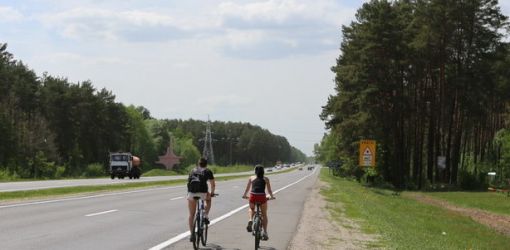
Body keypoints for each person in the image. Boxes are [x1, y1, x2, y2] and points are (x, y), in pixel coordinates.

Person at [242, 164, 275, 241]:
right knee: (264, 214)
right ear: (263, 171)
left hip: (253, 196)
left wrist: (244, 195)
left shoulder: (251, 178)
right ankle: (265, 232)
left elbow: (247, 189)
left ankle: (250, 220)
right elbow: (269, 190)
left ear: (255, 171)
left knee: (251, 209)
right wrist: (272, 196)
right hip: (262, 196)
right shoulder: (266, 179)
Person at [187, 157, 215, 242]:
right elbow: (213, 184)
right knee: (209, 199)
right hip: (203, 193)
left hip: (191, 193)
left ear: (198, 163)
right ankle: (205, 215)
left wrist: (189, 194)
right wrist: (212, 193)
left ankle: (192, 234)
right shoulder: (208, 171)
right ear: (206, 164)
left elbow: (188, 183)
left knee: (191, 214)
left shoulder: (192, 170)